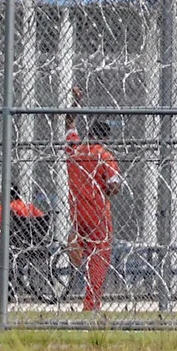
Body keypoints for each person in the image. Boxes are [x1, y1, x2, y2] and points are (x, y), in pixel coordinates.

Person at [65, 85, 121, 312]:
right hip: (98, 214)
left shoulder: (75, 150)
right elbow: (114, 185)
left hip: (77, 213)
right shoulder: (104, 155)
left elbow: (68, 124)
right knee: (99, 258)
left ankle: (76, 261)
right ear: (104, 138)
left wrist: (76, 102)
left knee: (84, 253)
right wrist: (107, 191)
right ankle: (91, 303)